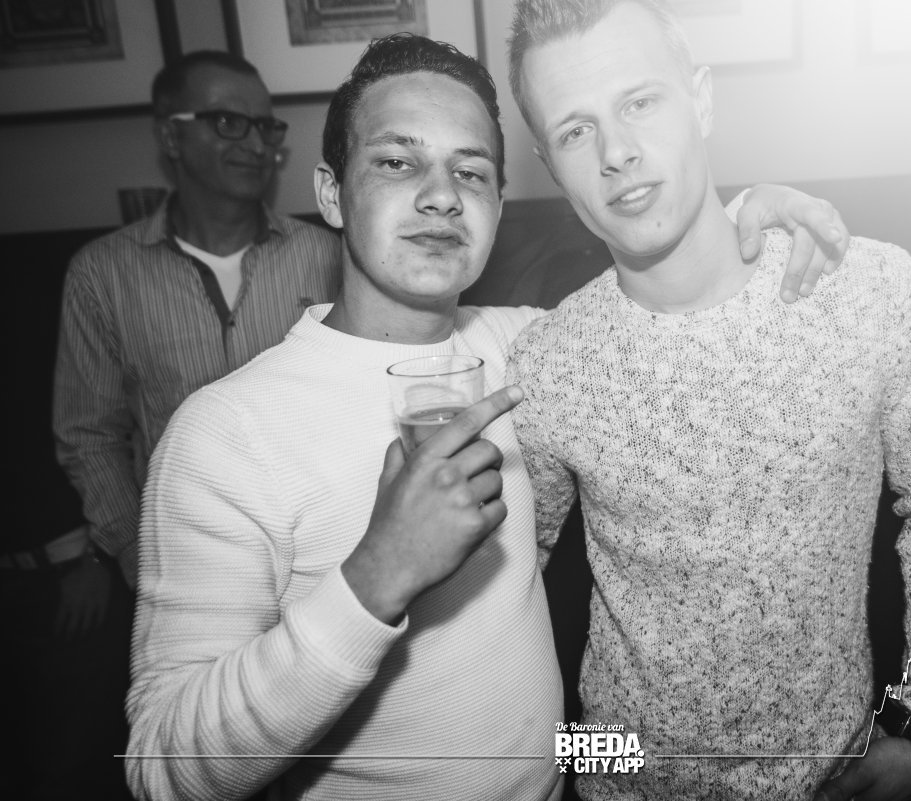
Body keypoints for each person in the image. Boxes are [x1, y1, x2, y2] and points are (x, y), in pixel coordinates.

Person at [125, 32, 848, 801]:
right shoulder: (226, 433)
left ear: (497, 208)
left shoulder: (530, 352)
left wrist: (746, 224)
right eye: (398, 162)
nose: (442, 195)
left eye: (470, 172)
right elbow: (159, 769)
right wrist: (376, 577)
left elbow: (661, 308)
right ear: (331, 193)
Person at [503, 2, 911, 800]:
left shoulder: (874, 292)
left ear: (701, 100)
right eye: (575, 131)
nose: (617, 152)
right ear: (549, 165)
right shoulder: (546, 361)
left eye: (640, 102)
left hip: (831, 778)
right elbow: (504, 585)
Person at [52, 51, 342, 590]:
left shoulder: (327, 256)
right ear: (170, 136)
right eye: (229, 122)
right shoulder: (102, 274)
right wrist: (133, 549)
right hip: (179, 555)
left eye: (265, 126)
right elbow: (88, 434)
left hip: (317, 549)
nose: (256, 145)